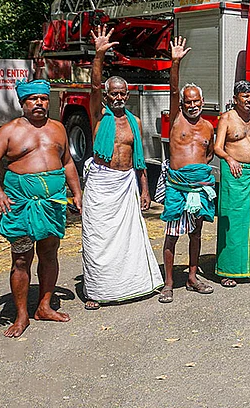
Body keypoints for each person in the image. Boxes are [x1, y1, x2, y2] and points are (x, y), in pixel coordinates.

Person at [0, 79, 83, 337]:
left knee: (49, 253)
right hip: (21, 204)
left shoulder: (58, 128)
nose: (39, 103)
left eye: (43, 99)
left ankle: (44, 306)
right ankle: (22, 315)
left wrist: (77, 192)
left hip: (52, 203)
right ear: (22, 103)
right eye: (32, 99)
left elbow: (68, 162)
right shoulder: (9, 131)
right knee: (22, 258)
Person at [81, 26, 163, 310]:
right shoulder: (98, 117)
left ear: (127, 96)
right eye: (113, 94)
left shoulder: (134, 122)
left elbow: (139, 160)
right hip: (101, 185)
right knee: (97, 238)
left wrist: (145, 189)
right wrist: (99, 55)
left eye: (122, 94)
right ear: (106, 96)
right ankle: (97, 291)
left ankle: (133, 285)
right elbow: (93, 86)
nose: (118, 98)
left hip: (126, 183)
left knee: (129, 239)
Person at [159, 36, 217, 303]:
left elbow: (208, 154)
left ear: (202, 101)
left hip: (199, 186)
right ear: (181, 104)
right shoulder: (177, 121)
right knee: (172, 235)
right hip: (178, 187)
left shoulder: (208, 127)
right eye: (187, 102)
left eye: (196, 101)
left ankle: (192, 277)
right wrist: (175, 62)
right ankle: (169, 283)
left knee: (196, 233)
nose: (193, 105)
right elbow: (172, 89)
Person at [213, 80, 250, 285]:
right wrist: (230, 159)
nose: (249, 99)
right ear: (236, 98)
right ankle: (228, 270)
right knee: (234, 222)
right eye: (245, 96)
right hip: (235, 176)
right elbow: (217, 147)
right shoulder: (227, 118)